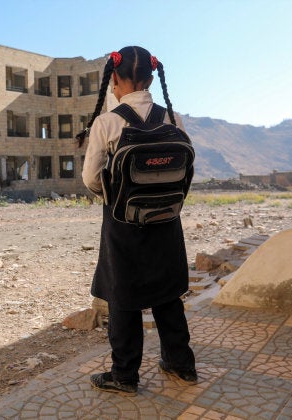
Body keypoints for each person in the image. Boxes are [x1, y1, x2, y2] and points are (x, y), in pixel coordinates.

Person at [78, 45, 196, 394]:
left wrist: (118, 195)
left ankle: (125, 375)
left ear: (115, 77)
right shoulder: (172, 119)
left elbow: (90, 178)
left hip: (122, 225)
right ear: (150, 77)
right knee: (167, 294)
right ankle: (181, 365)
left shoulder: (107, 122)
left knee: (122, 297)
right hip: (166, 222)